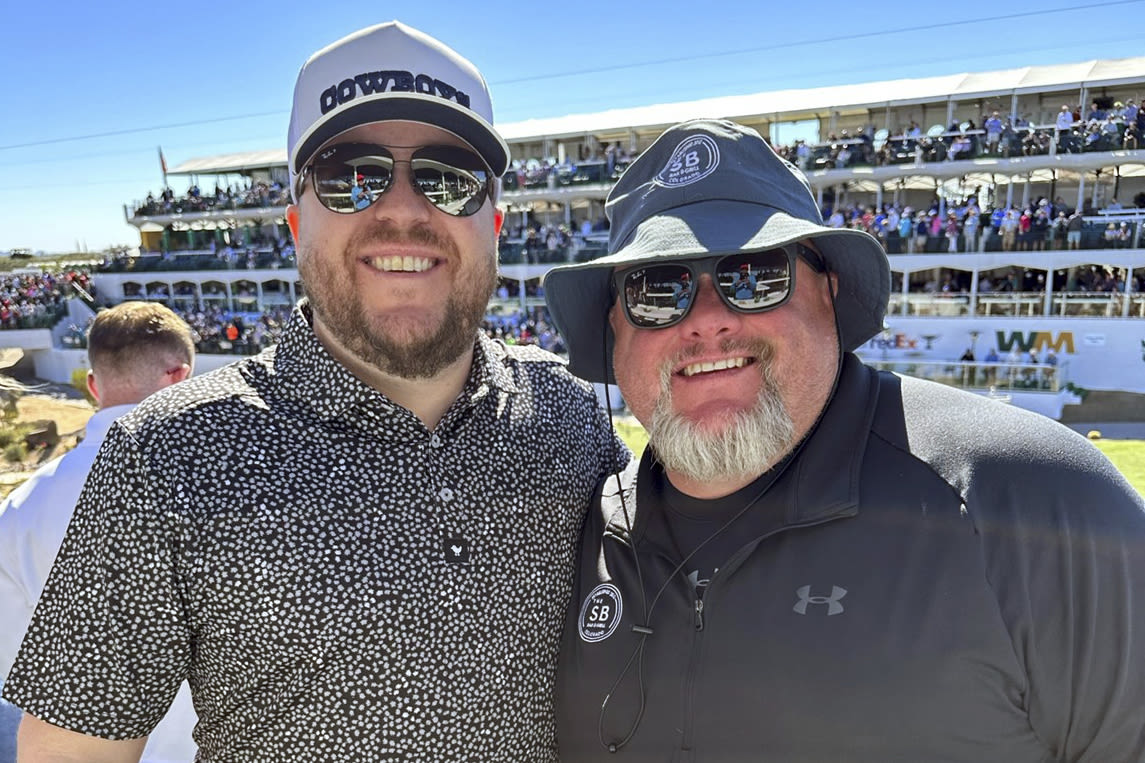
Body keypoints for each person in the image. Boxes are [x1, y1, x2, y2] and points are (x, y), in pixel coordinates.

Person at [3, 21, 624, 762]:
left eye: (449, 177)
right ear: (295, 222)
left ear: (494, 221)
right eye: (349, 174)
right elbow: (70, 752)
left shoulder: (569, 414)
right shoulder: (162, 453)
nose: (402, 208)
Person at [542, 118, 1145, 761]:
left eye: (755, 275)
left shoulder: (1036, 503)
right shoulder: (587, 529)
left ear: (827, 291)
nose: (708, 321)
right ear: (615, 328)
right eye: (658, 290)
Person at [0, 302, 197, 763]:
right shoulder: (248, 491)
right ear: (181, 377)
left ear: (92, 386)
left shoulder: (18, 511)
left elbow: (14, 674)